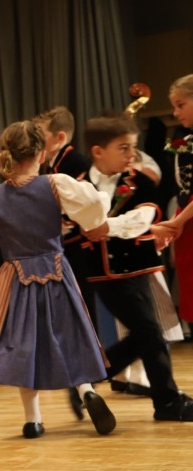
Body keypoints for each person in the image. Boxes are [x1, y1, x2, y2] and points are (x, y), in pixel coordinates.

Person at [0, 123, 115, 438]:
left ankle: (33, 419)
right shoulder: (56, 184)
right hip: (55, 270)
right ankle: (86, 391)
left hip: (17, 278)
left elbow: (2, 228)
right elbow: (94, 208)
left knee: (25, 345)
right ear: (41, 153)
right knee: (69, 332)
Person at [68, 115, 193, 423]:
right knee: (149, 332)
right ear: (98, 151)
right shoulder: (78, 187)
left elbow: (143, 217)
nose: (131, 154)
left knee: (147, 333)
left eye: (133, 147)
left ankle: (92, 378)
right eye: (123, 148)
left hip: (139, 266)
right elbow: (71, 226)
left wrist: (106, 226)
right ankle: (165, 400)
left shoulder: (141, 182)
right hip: (102, 273)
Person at [151, 75, 193, 323]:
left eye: (181, 105)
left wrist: (178, 222)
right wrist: (173, 228)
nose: (176, 113)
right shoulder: (186, 142)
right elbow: (184, 192)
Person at [34, 105, 90, 178]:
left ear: (60, 137)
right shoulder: (53, 164)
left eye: (41, 135)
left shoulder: (79, 165)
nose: (37, 140)